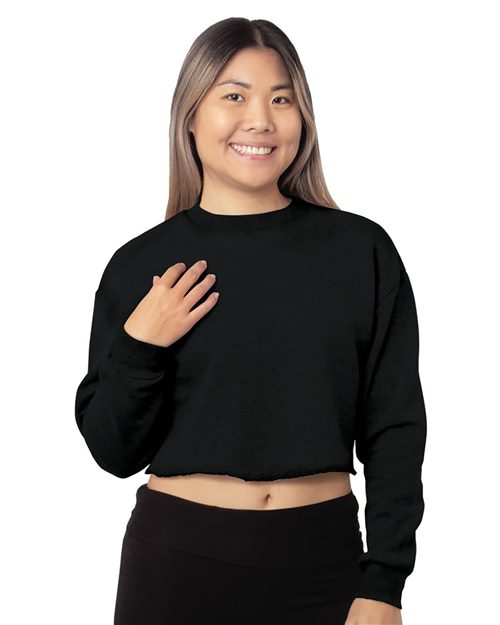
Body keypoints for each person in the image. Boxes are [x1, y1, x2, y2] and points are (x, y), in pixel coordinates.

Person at [74, 17, 427, 625]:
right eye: (234, 96)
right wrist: (140, 344)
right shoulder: (140, 265)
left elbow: (395, 426)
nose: (260, 120)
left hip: (325, 565)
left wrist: (385, 582)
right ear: (190, 115)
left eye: (281, 99)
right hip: (178, 564)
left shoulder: (359, 251)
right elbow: (113, 451)